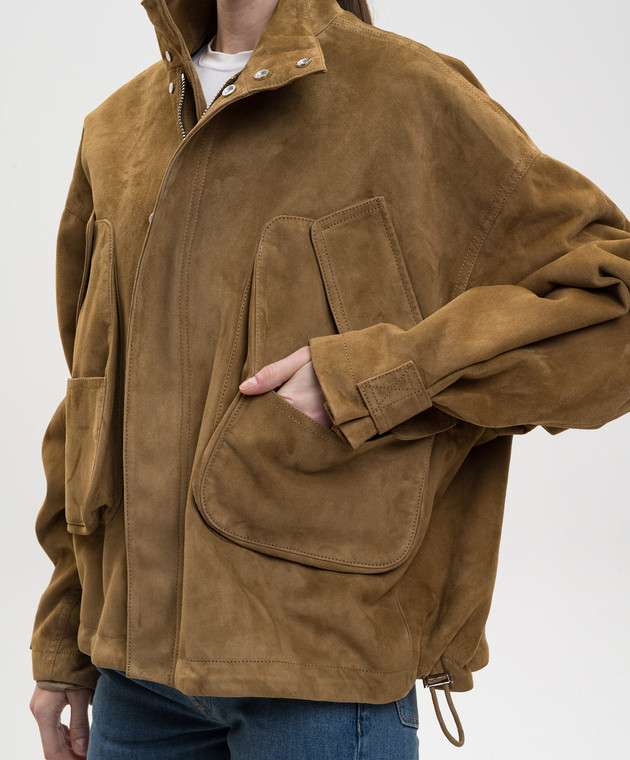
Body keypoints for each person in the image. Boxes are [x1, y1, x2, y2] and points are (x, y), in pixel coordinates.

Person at [29, 0, 630, 758]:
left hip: (322, 679)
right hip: (134, 687)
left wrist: (378, 378)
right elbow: (90, 403)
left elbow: (612, 303)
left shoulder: (407, 96)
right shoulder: (116, 131)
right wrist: (64, 640)